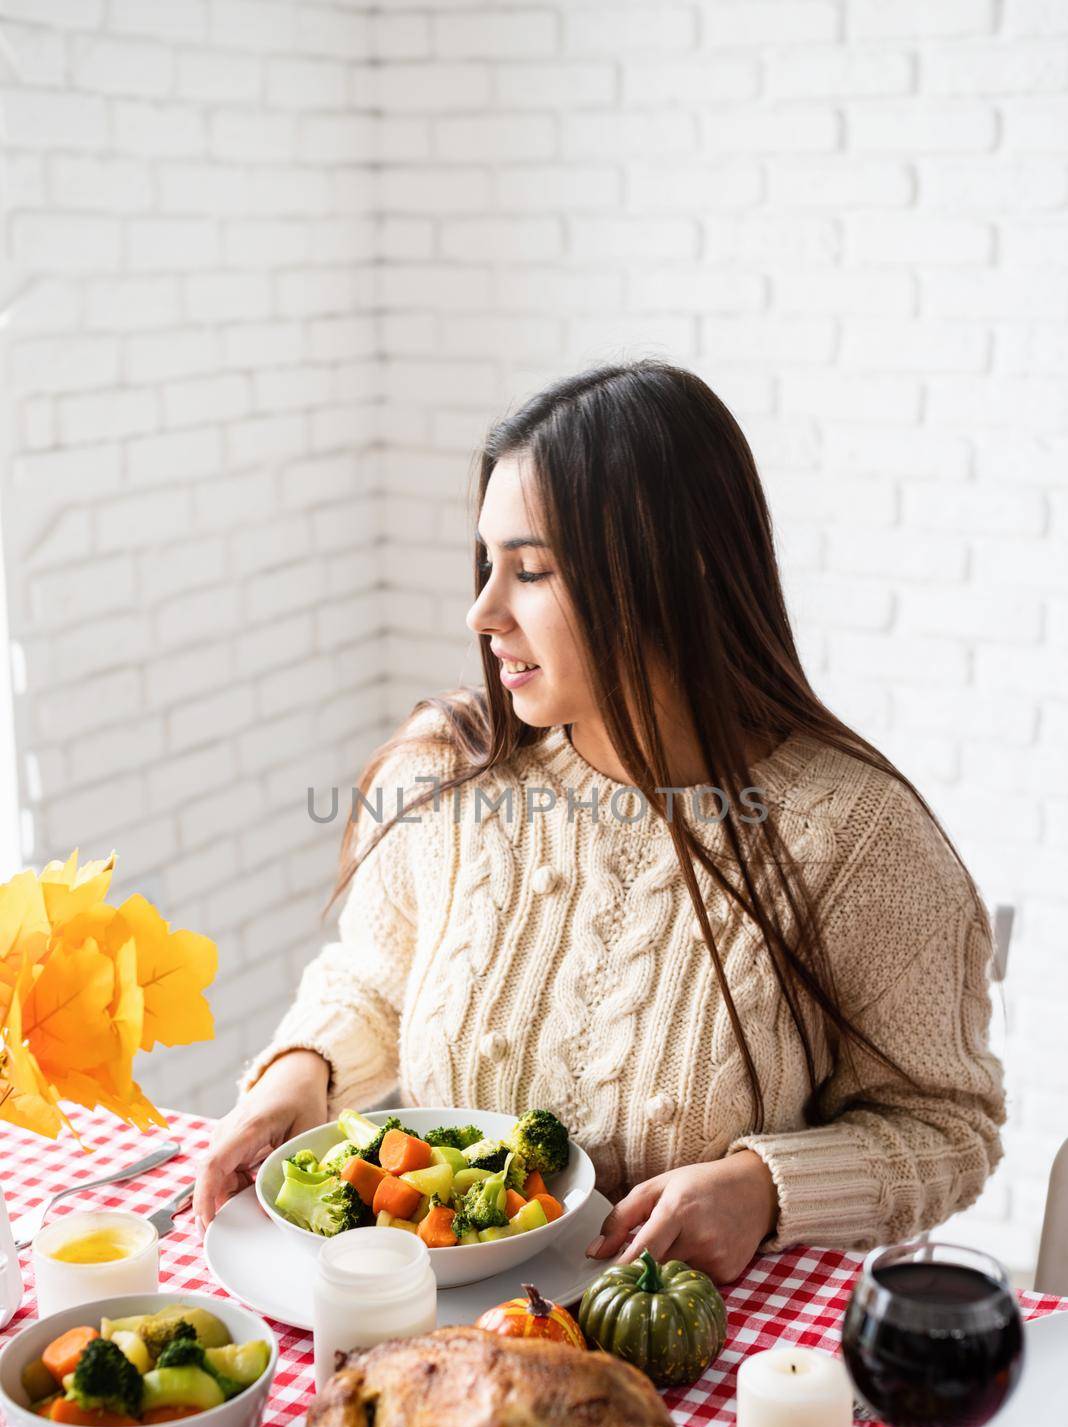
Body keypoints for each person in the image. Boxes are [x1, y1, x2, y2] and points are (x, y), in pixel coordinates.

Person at [193, 360, 1006, 1284]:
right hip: (430, 1331)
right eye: (487, 563)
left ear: (672, 573)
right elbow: (379, 978)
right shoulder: (454, 767)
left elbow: (947, 1128)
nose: (481, 611)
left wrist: (764, 1188)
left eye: (530, 570)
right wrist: (303, 1072)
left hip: (686, 1364)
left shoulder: (858, 837)